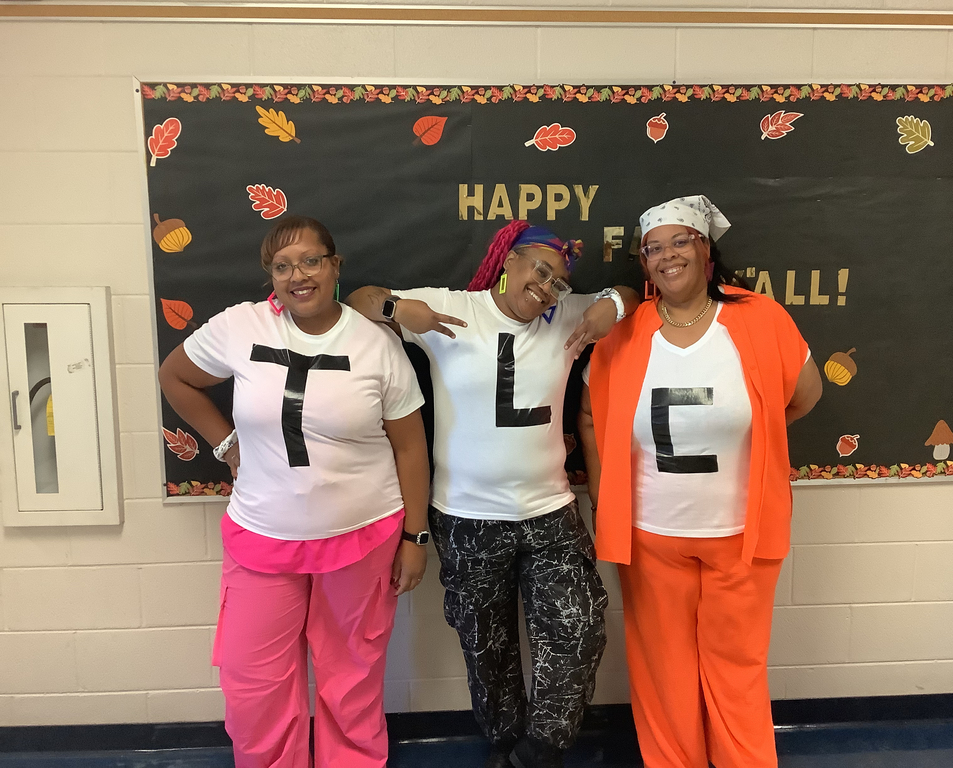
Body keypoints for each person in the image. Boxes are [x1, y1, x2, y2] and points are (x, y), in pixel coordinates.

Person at [346, 220, 640, 768]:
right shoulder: (449, 307)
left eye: (558, 281)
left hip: (549, 512)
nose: (547, 287)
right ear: (508, 260)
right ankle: (505, 746)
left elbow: (625, 293)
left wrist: (610, 308)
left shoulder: (568, 313)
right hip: (466, 516)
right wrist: (396, 312)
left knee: (578, 630)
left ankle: (540, 750)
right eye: (540, 271)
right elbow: (359, 299)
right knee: (488, 648)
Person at [158, 215, 431, 768]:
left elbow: (411, 448)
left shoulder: (375, 344)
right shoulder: (240, 326)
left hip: (362, 534)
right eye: (282, 266)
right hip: (263, 533)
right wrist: (226, 442)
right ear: (270, 276)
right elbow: (174, 377)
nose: (297, 275)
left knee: (351, 678)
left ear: (335, 265)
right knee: (252, 682)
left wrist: (415, 537)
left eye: (310, 260)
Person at [579, 196, 822, 768]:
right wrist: (603, 495)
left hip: (740, 536)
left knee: (736, 671)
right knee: (663, 676)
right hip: (650, 539)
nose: (667, 257)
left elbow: (804, 396)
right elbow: (592, 418)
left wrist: (750, 434)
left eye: (679, 242)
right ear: (644, 264)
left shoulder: (761, 317)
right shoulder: (625, 332)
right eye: (653, 248)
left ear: (706, 251)